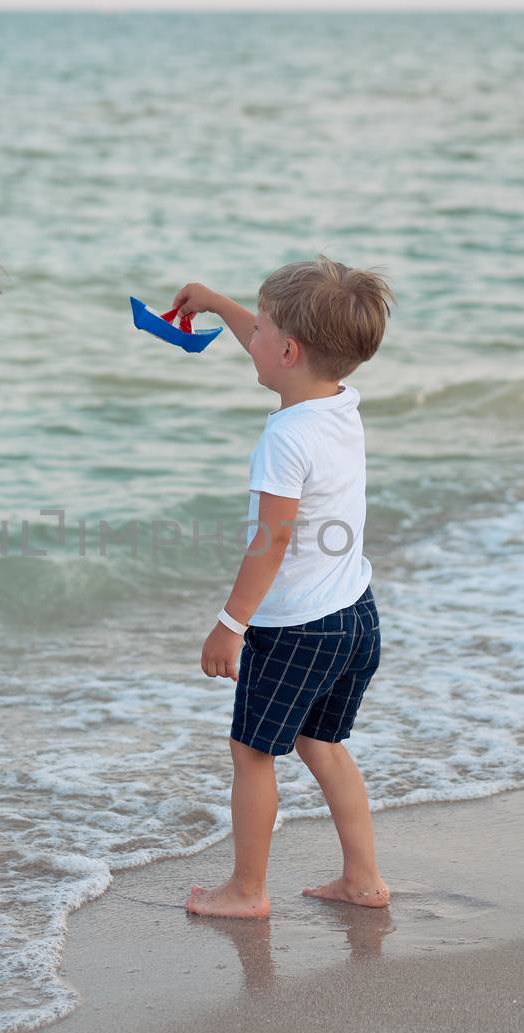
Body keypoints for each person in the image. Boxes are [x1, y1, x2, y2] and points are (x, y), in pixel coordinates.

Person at [170, 258, 393, 918]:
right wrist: (214, 301)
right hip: (355, 615)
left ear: (289, 350)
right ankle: (363, 879)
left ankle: (246, 889)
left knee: (252, 751)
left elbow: (271, 542)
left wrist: (229, 623)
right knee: (322, 744)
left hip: (296, 628)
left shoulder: (284, 436)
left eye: (261, 329)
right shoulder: (337, 402)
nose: (252, 338)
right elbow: (279, 344)